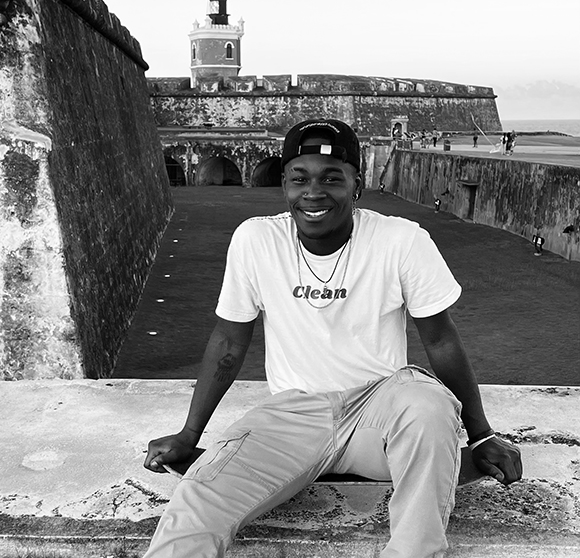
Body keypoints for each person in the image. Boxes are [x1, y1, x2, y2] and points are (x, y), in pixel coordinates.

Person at [143, 119, 522, 558]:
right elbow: (229, 341)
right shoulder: (256, 239)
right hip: (293, 415)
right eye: (299, 179)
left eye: (331, 179)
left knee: (426, 404)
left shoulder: (400, 239)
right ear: (283, 184)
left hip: (381, 410)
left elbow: (441, 341)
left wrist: (480, 435)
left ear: (356, 186)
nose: (313, 192)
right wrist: (190, 434)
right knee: (198, 499)